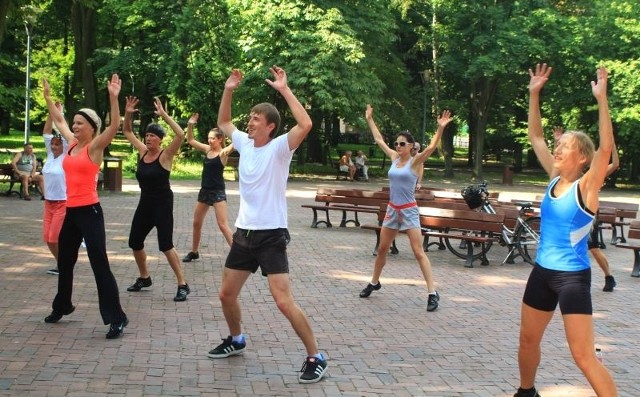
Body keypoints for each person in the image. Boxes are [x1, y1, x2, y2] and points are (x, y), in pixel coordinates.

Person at [207, 66, 328, 384]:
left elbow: (306, 124)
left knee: (283, 301)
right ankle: (236, 339)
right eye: (250, 118)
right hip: (243, 234)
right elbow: (223, 122)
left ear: (270, 126)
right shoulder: (245, 144)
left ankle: (316, 356)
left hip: (271, 234)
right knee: (226, 295)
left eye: (256, 119)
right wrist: (228, 88)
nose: (250, 121)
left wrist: (285, 90)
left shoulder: (279, 148)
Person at [514, 64, 617, 397]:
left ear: (582, 156)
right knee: (528, 340)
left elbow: (604, 150)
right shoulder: (554, 179)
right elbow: (536, 136)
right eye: (559, 145)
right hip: (542, 273)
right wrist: (533, 94)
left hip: (572, 279)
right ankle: (526, 392)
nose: (557, 149)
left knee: (583, 356)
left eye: (566, 146)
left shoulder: (587, 187)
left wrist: (602, 100)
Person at [42, 75, 128, 339]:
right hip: (71, 212)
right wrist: (47, 98)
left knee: (99, 263)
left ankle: (117, 318)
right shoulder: (73, 145)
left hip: (90, 213)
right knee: (65, 262)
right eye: (75, 122)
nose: (75, 126)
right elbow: (58, 119)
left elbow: (114, 125)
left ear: (92, 127)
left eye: (80, 123)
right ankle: (63, 305)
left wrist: (113, 97)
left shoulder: (94, 147)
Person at [361, 104, 451, 312]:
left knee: (418, 251)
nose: (398, 146)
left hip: (409, 210)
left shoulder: (415, 162)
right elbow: (378, 140)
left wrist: (440, 128)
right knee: (382, 249)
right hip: (393, 209)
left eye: (402, 143)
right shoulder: (394, 158)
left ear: (411, 146)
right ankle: (374, 282)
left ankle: (432, 292)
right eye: (397, 143)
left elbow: (430, 148)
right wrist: (370, 119)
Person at [122, 96, 190, 302]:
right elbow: (126, 131)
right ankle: (145, 278)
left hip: (162, 203)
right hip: (145, 203)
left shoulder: (166, 155)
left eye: (152, 136)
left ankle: (183, 284)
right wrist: (127, 112)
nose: (148, 139)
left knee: (166, 245)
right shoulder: (143, 152)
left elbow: (181, 134)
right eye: (146, 136)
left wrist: (164, 115)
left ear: (160, 139)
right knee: (135, 241)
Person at [554, 127, 619, 292]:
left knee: (594, 249)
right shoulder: (566, 179)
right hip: (570, 219)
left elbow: (615, 164)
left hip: (587, 217)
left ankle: (609, 276)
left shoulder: (591, 178)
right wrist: (558, 141)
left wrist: (611, 145)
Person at [182, 113, 234, 263]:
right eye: (209, 138)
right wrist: (190, 124)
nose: (210, 140)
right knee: (196, 223)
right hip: (204, 191)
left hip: (217, 193)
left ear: (220, 139)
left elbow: (236, 143)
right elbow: (190, 140)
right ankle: (194, 252)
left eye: (213, 138)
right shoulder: (207, 150)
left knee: (223, 225)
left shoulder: (223, 154)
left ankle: (238, 253)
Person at [42, 101, 69, 275]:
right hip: (48, 203)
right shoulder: (50, 156)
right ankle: (62, 264)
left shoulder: (66, 155)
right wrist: (51, 113)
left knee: (54, 238)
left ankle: (64, 265)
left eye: (57, 144)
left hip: (62, 202)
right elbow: (46, 132)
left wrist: (60, 115)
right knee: (47, 238)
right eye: (52, 144)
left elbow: (65, 133)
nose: (54, 146)